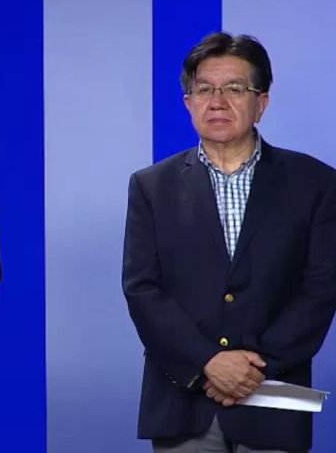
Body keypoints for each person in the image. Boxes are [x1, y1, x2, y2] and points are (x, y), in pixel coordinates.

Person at [122, 31, 336, 453]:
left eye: (234, 89)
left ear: (261, 103)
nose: (217, 102)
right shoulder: (151, 187)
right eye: (204, 89)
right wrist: (207, 363)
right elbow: (142, 289)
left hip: (274, 399)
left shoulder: (315, 183)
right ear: (188, 103)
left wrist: (252, 368)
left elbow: (321, 288)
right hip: (183, 402)